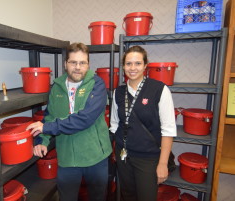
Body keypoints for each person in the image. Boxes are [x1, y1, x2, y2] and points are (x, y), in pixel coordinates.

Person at [26, 42, 112, 201]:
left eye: (82, 63)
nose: (78, 67)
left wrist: (46, 127)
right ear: (65, 64)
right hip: (67, 157)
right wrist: (42, 140)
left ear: (88, 65)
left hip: (95, 156)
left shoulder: (97, 84)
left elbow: (85, 118)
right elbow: (50, 116)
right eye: (73, 62)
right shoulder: (57, 86)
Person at [109, 45, 176, 201]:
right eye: (128, 63)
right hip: (124, 155)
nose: (133, 68)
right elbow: (114, 124)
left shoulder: (159, 90)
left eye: (138, 63)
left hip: (148, 159)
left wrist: (163, 163)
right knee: (128, 196)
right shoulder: (118, 92)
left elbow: (168, 130)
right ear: (123, 66)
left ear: (145, 66)